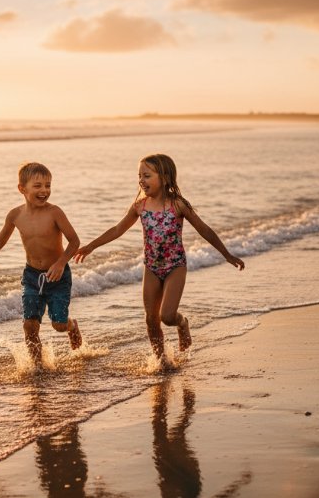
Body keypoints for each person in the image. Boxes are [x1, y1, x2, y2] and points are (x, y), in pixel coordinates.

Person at [74, 154, 243, 361]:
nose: (141, 180)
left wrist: (226, 254)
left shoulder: (178, 205)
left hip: (175, 266)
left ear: (164, 177)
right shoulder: (140, 206)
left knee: (167, 316)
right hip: (151, 267)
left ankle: (182, 323)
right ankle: (160, 360)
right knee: (151, 320)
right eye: (139, 176)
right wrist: (91, 246)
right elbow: (117, 229)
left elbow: (204, 229)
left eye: (146, 176)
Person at [0, 162, 83, 367]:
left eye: (48, 185)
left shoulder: (55, 212)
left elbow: (74, 241)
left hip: (58, 276)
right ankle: (38, 368)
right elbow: (0, 240)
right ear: (22, 188)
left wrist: (60, 263)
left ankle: (72, 325)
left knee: (58, 324)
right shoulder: (15, 215)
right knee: (29, 325)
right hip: (31, 276)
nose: (44, 190)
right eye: (37, 186)